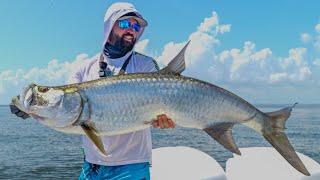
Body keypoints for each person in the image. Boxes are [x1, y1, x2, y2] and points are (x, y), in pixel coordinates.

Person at [10, 2, 175, 179]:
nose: (132, 30)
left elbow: (165, 100)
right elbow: (66, 107)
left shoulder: (145, 65)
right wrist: (30, 108)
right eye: (126, 23)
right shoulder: (83, 68)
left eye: (136, 26)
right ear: (110, 25)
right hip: (92, 166)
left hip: (132, 165)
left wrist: (167, 119)